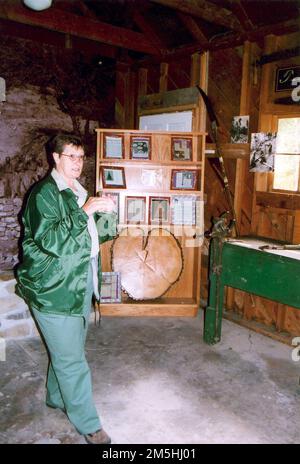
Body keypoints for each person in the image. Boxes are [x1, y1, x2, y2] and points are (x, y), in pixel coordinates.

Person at [16, 133, 117, 444]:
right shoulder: (44, 194)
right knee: (72, 358)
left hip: (79, 279)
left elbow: (94, 236)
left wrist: (108, 214)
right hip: (53, 287)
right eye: (70, 156)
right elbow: (53, 241)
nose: (77, 162)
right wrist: (85, 209)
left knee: (69, 348)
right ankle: (89, 425)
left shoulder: (78, 190)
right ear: (55, 158)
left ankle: (57, 397)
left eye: (81, 156)